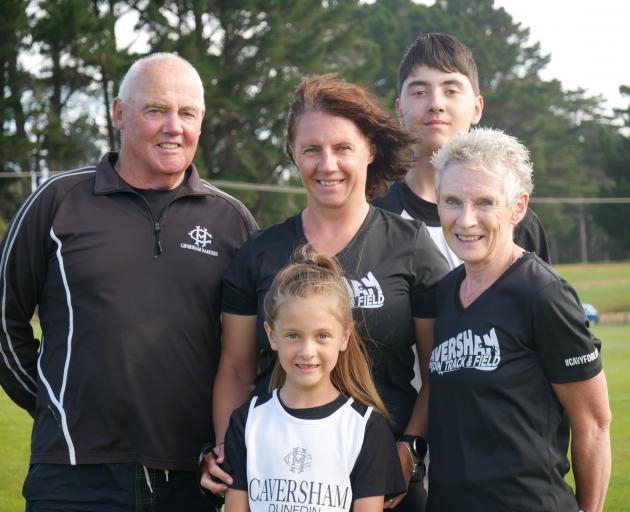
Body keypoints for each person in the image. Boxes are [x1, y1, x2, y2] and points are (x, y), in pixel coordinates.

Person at [0, 53, 257, 511]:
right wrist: (53, 406)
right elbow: (5, 322)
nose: (173, 126)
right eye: (156, 109)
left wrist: (224, 444)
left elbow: (254, 352)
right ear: (119, 114)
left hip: (187, 481)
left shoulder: (232, 222)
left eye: (187, 113)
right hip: (71, 478)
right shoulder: (56, 203)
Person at [201, 74, 450, 512]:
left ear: (370, 151)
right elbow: (237, 371)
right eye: (312, 150)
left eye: (342, 149)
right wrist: (230, 453)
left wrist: (411, 447)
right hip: (283, 484)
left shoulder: (410, 247)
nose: (327, 164)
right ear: (294, 155)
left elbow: (437, 372)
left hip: (385, 483)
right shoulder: (260, 253)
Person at [427, 127, 611, 511]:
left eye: (485, 203)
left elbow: (593, 422)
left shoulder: (542, 294)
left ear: (518, 206)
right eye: (452, 201)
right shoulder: (442, 295)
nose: (465, 220)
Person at [223, 247, 406, 512]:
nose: (307, 351)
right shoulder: (248, 420)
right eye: (293, 335)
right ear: (272, 335)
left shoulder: (365, 428)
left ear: (344, 336)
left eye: (322, 335)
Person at [374, 32, 551, 268]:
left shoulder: (516, 220)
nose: (436, 104)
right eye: (419, 92)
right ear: (399, 110)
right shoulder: (373, 217)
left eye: (451, 91)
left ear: (477, 108)